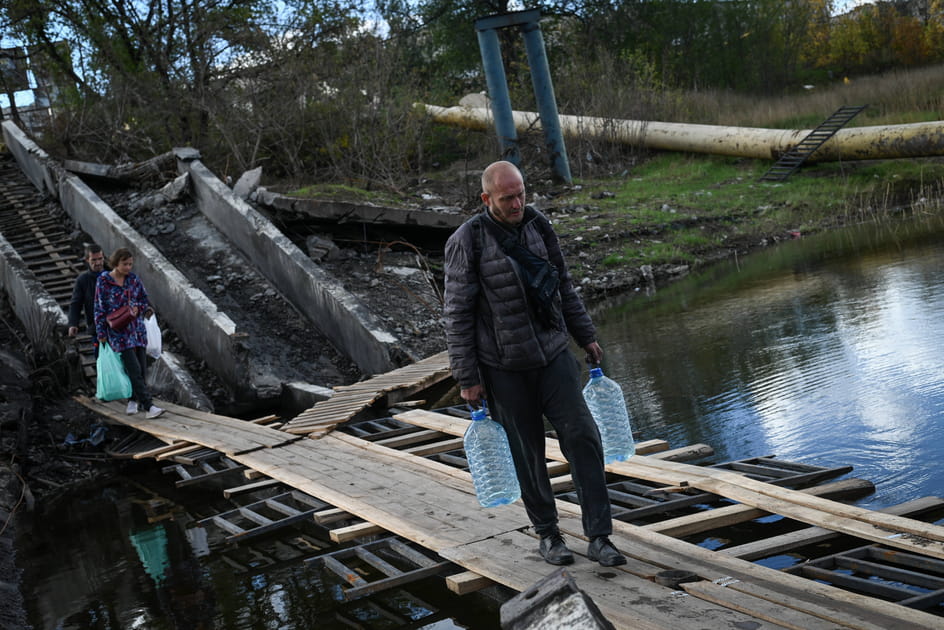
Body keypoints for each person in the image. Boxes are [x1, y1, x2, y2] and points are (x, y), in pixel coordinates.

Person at [443, 160, 626, 567]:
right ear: (486, 198)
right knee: (527, 452)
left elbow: (562, 284)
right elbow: (456, 314)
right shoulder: (466, 241)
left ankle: (600, 537)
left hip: (553, 354)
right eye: (508, 198)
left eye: (521, 193)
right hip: (504, 367)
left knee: (582, 435)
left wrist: (586, 336)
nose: (517, 203)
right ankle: (549, 535)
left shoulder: (539, 226)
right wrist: (467, 377)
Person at [94, 247, 164, 419]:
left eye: (130, 264)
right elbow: (99, 308)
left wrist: (138, 308)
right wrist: (101, 332)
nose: (128, 268)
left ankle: (133, 400)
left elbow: (143, 299)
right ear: (116, 263)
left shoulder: (133, 280)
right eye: (125, 264)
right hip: (118, 332)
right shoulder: (104, 281)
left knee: (141, 368)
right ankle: (149, 407)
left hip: (136, 329)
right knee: (133, 368)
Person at [67, 244, 106, 339]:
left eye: (100, 259)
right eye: (94, 260)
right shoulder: (82, 280)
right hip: (96, 328)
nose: (98, 263)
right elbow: (76, 303)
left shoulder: (112, 277)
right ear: (87, 260)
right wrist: (73, 324)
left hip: (115, 327)